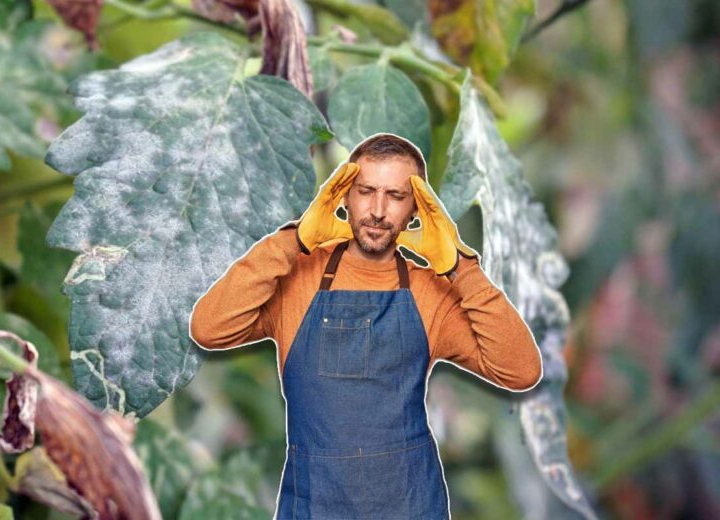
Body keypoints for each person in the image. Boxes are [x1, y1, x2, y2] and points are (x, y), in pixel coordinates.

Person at [189, 132, 543, 519]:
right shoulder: (297, 278)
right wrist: (294, 240)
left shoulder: (430, 293)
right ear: (342, 196)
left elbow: (520, 370)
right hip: (314, 505)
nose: (377, 210)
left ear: (415, 211)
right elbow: (209, 328)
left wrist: (461, 267)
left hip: (408, 505)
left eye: (395, 196)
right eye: (365, 191)